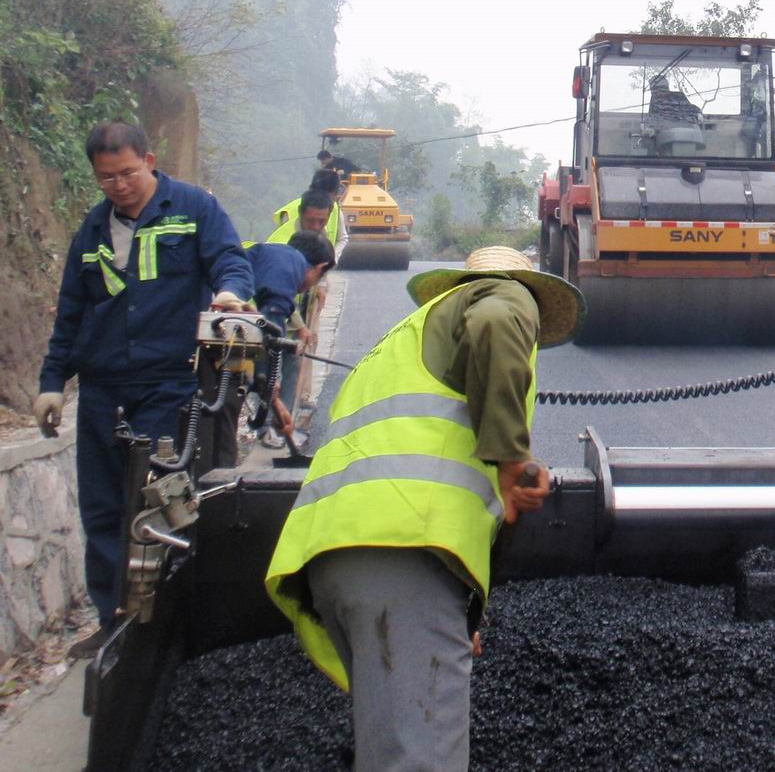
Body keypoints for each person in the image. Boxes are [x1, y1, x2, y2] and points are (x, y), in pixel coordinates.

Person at [266, 246, 585, 772]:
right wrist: (511, 456)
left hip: (333, 558)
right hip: (401, 552)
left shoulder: (401, 345)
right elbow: (496, 319)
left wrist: (461, 614)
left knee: (389, 751)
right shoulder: (504, 296)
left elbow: (443, 475)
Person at [34, 122, 254, 656]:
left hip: (169, 381)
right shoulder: (92, 231)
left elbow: (230, 258)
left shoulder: (194, 208)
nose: (120, 185)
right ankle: (114, 620)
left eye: (128, 173)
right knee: (104, 506)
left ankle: (164, 620)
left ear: (150, 160)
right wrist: (51, 384)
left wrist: (229, 293)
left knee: (160, 499)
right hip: (104, 387)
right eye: (107, 178)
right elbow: (71, 312)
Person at [245, 230, 335, 450]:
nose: (309, 287)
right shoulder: (287, 268)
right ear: (320, 268)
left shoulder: (277, 257)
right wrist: (273, 385)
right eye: (317, 279)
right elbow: (272, 333)